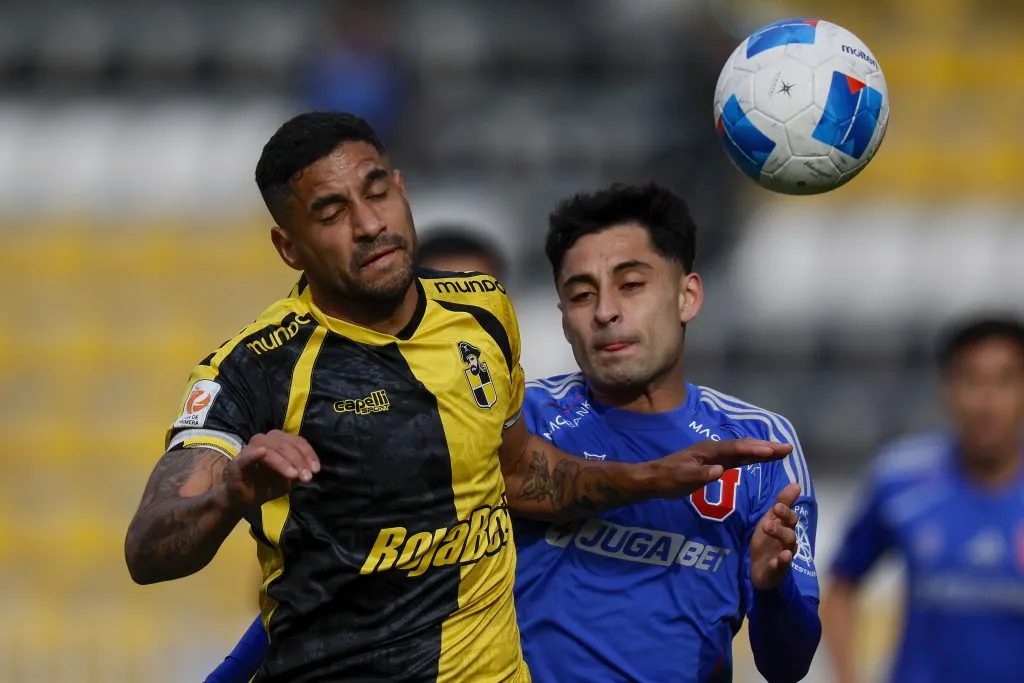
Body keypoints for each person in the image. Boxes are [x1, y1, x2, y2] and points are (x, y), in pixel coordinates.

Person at [122, 112, 790, 683]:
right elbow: (150, 547)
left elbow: (519, 471)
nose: (367, 223)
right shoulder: (253, 369)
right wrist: (232, 493)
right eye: (331, 212)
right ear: (288, 246)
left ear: (402, 188)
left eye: (376, 191)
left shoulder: (483, 311)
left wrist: (652, 475)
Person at [823, 316, 1024, 683]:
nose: (987, 401)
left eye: (1005, 380)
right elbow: (839, 589)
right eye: (972, 380)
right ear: (947, 387)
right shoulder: (901, 480)